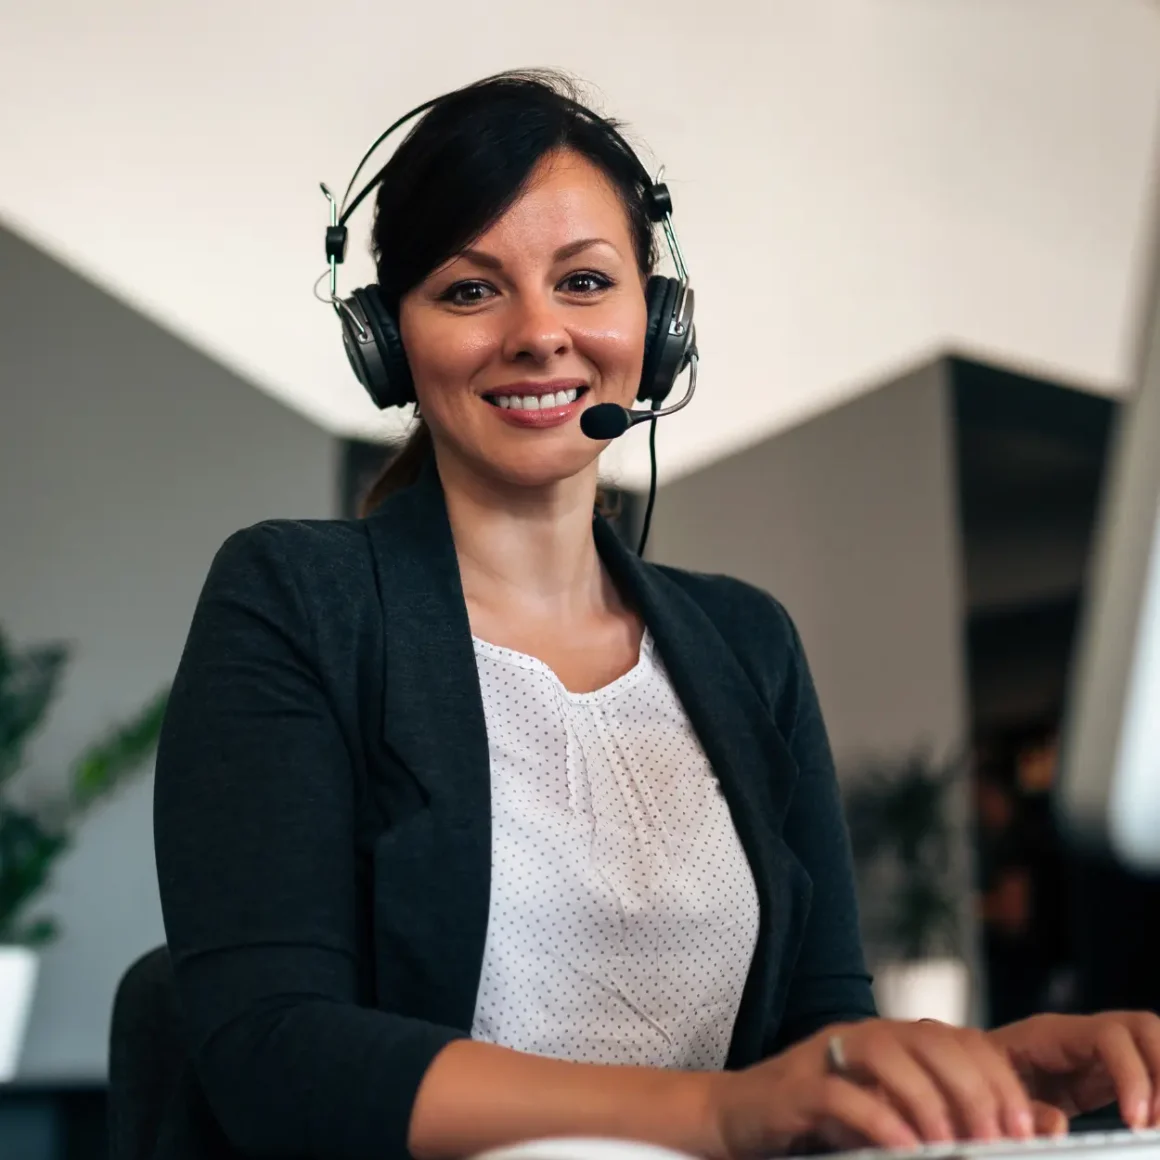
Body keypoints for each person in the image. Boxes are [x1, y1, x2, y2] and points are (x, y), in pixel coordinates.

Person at [152, 70, 1160, 1160]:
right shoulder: (296, 597)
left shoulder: (746, 643)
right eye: (467, 290)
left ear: (658, 320)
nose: (540, 333)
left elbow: (814, 1033)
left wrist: (972, 1071)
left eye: (584, 281)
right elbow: (275, 1051)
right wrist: (716, 1113)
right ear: (388, 343)